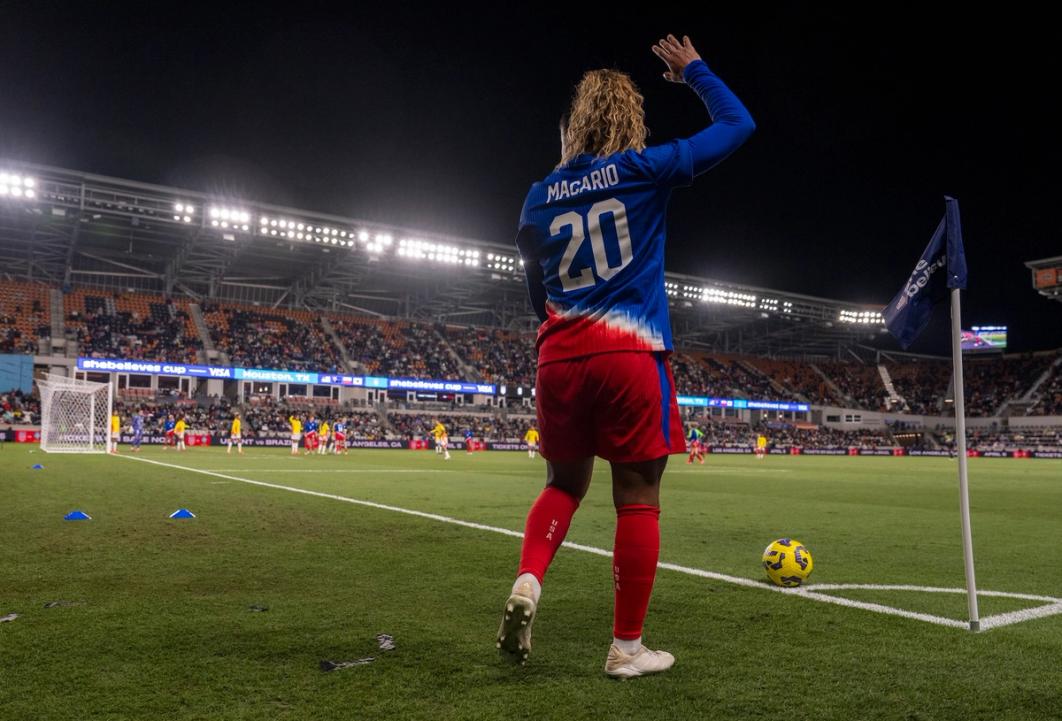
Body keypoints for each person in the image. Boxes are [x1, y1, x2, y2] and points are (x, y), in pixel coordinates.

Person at [496, 34, 754, 678]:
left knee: (562, 484)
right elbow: (738, 124)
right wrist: (694, 71)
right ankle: (626, 649)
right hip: (630, 353)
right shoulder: (645, 167)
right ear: (629, 120)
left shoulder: (537, 195)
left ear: (573, 125)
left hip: (557, 357)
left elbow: (536, 290)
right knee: (637, 495)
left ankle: (529, 580)